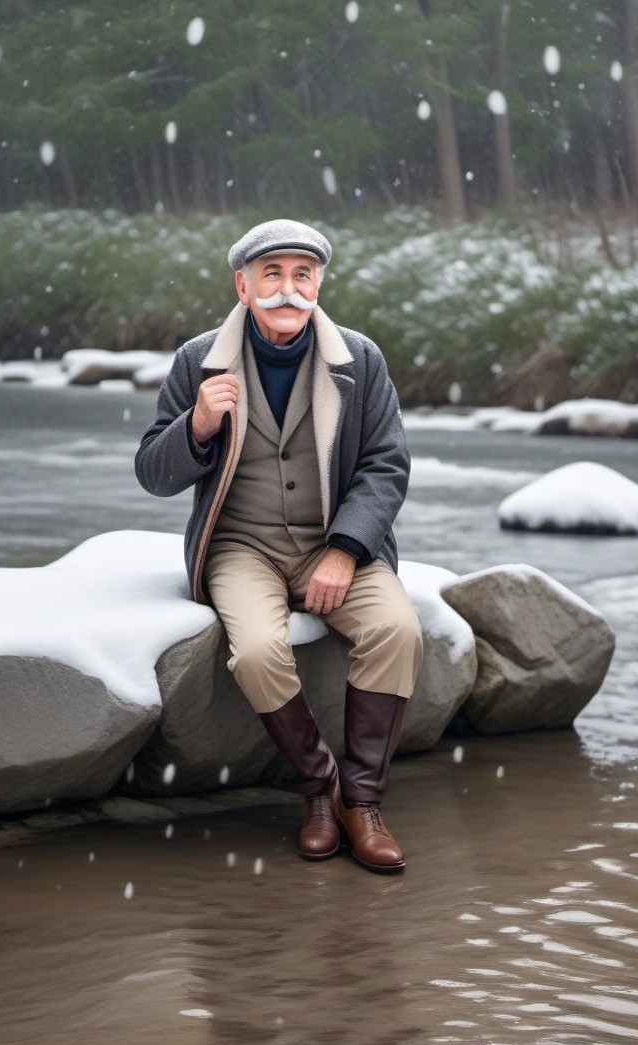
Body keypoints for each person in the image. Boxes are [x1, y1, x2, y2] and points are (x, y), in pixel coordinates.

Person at [135, 219, 423, 873]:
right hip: (242, 547)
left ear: (318, 283)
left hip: (337, 540)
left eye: (302, 275)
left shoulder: (361, 359)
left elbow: (388, 465)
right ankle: (320, 789)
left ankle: (365, 802)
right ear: (243, 285)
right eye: (272, 274)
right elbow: (153, 471)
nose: (288, 289)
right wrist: (198, 424)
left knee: (398, 631)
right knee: (261, 652)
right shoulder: (196, 361)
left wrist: (346, 550)